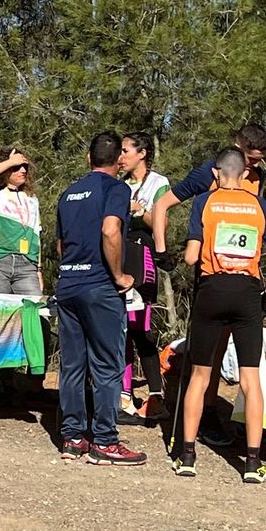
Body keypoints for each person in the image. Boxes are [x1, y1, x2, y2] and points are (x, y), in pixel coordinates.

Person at [170, 148, 266, 483]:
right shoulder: (260, 206)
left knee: (200, 376)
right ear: (242, 173)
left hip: (212, 289)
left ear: (219, 172)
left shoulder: (204, 202)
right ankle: (253, 462)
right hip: (248, 292)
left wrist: (189, 250)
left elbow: (192, 257)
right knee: (251, 380)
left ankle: (188, 455)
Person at [153, 123, 266, 447]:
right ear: (237, 147)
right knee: (209, 354)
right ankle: (201, 418)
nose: (254, 166)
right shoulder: (211, 172)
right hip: (209, 275)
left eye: (259, 161)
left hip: (245, 280)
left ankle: (213, 418)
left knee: (231, 356)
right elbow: (162, 205)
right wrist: (162, 251)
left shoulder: (259, 179)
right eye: (250, 158)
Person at [54, 132, 144, 465]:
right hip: (100, 285)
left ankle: (73, 437)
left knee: (73, 365)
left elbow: (60, 245)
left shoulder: (68, 194)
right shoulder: (117, 189)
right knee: (107, 366)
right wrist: (120, 275)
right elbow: (110, 230)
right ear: (118, 160)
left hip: (68, 284)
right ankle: (105, 441)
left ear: (88, 158)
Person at [119, 132, 172, 423]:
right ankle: (123, 394)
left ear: (142, 153)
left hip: (145, 253)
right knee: (122, 327)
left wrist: (141, 210)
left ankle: (156, 397)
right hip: (121, 253)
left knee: (141, 326)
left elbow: (160, 222)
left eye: (126, 150)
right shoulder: (119, 184)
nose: (121, 156)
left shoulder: (158, 182)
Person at [0, 148, 42, 295]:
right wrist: (11, 161)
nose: (22, 170)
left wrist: (38, 269)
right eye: (16, 167)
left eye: (25, 166)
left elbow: (37, 234)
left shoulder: (32, 198)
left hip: (27, 266)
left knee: (33, 312)